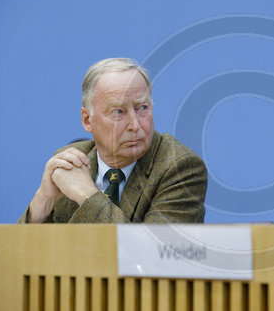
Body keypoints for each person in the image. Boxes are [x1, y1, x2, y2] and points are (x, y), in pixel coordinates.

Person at [18, 58, 207, 223]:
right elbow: (14, 255)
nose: (135, 125)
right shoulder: (70, 161)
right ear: (87, 120)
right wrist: (42, 201)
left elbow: (150, 254)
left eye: (142, 108)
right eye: (118, 111)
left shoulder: (180, 167)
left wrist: (87, 195)